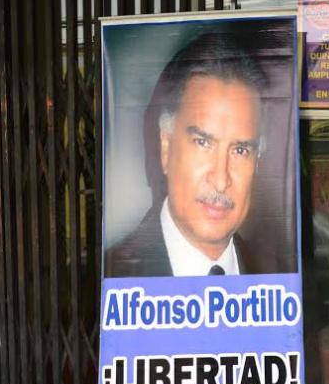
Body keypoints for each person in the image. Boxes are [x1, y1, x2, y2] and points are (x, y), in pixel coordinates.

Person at [106, 32, 271, 277]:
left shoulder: (280, 280)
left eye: (240, 150)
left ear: (257, 163)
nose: (220, 180)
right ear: (166, 147)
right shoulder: (110, 277)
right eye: (203, 142)